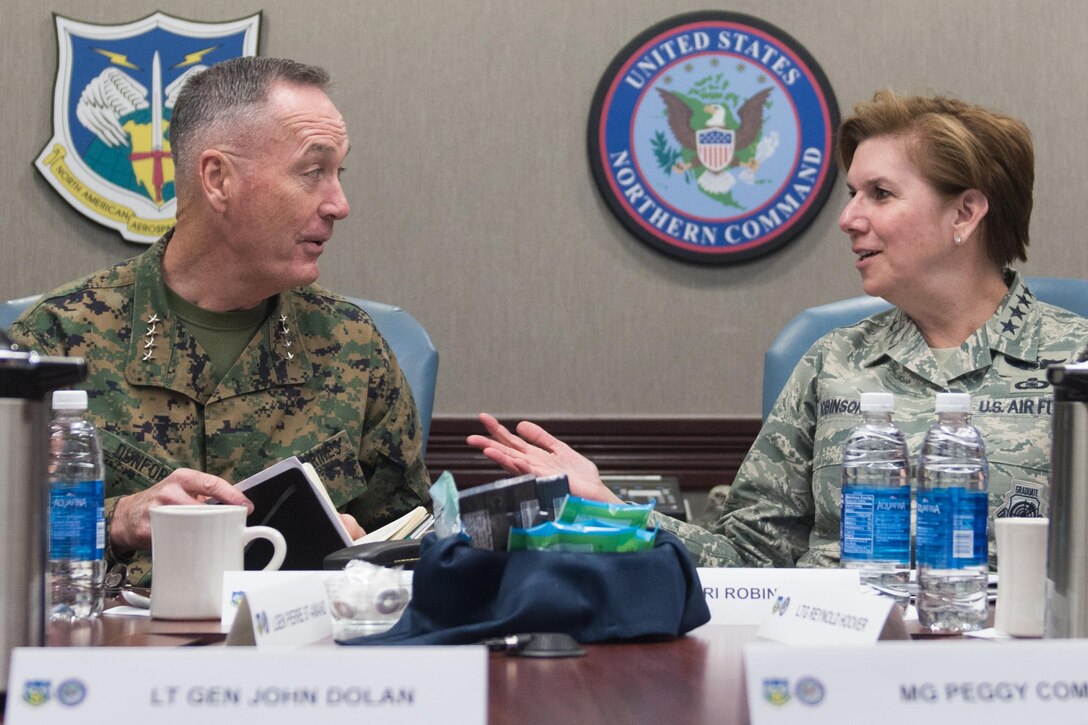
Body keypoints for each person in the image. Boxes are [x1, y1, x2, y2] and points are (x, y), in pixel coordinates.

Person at [468, 90, 1088, 569]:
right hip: (829, 667)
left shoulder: (1076, 362)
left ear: (966, 212)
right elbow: (748, 560)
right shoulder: (834, 361)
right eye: (852, 193)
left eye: (880, 194)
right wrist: (611, 505)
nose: (848, 219)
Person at [11, 57, 430, 585]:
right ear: (217, 179)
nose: (339, 204)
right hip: (117, 654)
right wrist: (117, 519)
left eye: (338, 173)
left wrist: (363, 554)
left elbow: (413, 544)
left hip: (305, 654)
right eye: (312, 171)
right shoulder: (56, 344)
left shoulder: (353, 347)